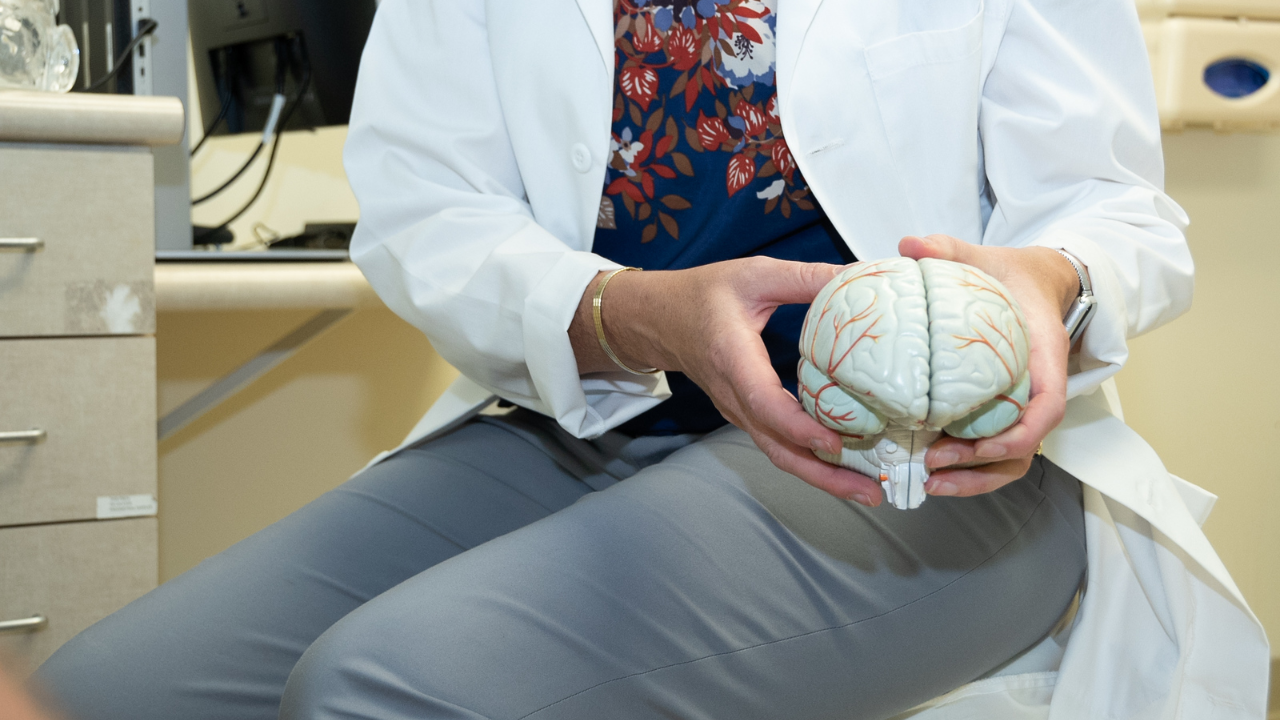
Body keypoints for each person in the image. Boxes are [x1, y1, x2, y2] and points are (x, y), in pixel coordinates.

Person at [35, 0, 1268, 718]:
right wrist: (630, 313)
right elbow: (423, 208)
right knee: (102, 695)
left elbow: (1114, 211)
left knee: (385, 688)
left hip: (915, 470)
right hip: (585, 419)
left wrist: (1047, 281)